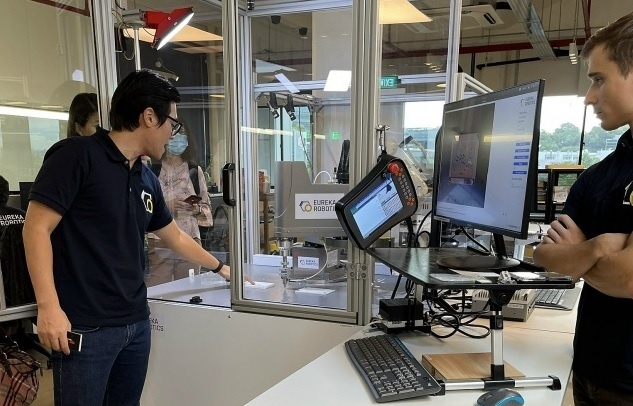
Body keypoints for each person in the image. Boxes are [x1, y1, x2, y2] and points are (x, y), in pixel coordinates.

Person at [22, 69, 233, 406]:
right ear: (149, 116)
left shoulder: (145, 178)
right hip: (86, 326)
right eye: (172, 123)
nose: (173, 133)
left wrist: (222, 269)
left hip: (135, 324)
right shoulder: (76, 156)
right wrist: (48, 307)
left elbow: (176, 237)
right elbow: (35, 228)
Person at [533, 12, 633, 406]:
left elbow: (628, 278)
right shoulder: (600, 175)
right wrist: (596, 248)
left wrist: (576, 257)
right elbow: (545, 258)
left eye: (598, 79)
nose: (589, 97)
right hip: (588, 370)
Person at [146, 120, 213, 286]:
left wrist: (196, 209)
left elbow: (207, 210)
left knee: (189, 286)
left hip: (190, 237)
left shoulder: (194, 171)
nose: (178, 139)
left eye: (182, 135)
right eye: (175, 134)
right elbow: (142, 207)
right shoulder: (152, 169)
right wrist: (167, 205)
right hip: (160, 239)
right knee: (160, 286)